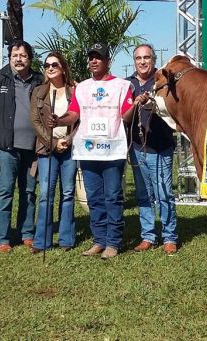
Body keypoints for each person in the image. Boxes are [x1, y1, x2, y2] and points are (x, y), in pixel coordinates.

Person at [50, 42, 133, 259]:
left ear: (108, 62)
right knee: (94, 198)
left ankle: (113, 242)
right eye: (91, 57)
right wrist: (58, 119)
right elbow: (73, 114)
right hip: (88, 152)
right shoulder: (82, 87)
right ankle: (99, 240)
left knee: (112, 196)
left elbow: (126, 115)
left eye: (99, 57)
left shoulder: (122, 86)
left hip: (112, 150)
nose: (94, 61)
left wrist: (136, 104)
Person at [0, 40, 44, 253]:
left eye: (23, 55)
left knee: (28, 191)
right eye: (15, 55)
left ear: (30, 59)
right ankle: (1, 238)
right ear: (9, 58)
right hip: (7, 146)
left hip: (33, 147)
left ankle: (26, 233)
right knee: (5, 191)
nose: (19, 59)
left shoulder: (39, 80)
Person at [126, 44, 178, 255]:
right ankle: (148, 235)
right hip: (137, 147)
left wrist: (153, 102)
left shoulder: (161, 82)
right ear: (134, 61)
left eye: (147, 57)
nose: (142, 62)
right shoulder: (127, 84)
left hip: (161, 146)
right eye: (138, 58)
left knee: (163, 193)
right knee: (143, 194)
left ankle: (169, 237)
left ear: (154, 60)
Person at [30, 51, 78, 253]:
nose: (50, 68)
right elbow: (35, 121)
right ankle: (42, 241)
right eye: (47, 64)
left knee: (67, 193)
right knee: (45, 194)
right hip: (46, 149)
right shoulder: (39, 91)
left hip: (69, 148)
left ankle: (66, 239)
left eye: (55, 65)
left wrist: (68, 139)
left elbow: (80, 120)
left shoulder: (73, 90)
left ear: (63, 68)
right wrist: (53, 142)